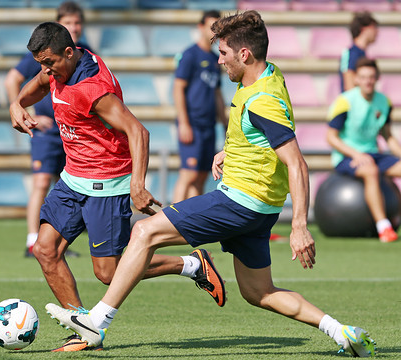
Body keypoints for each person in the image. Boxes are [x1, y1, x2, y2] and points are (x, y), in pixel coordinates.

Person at [46, 11, 378, 357]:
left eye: (223, 53)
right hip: (258, 208)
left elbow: (296, 162)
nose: (219, 61)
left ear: (244, 54)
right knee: (258, 292)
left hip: (241, 202)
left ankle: (96, 322)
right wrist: (229, 152)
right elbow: (258, 134)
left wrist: (299, 226)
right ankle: (342, 332)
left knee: (144, 233)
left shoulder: (263, 101)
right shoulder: (266, 76)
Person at [9, 22, 226, 352]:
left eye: (50, 62)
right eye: (42, 62)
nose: (45, 69)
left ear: (69, 53)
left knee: (109, 274)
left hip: (105, 183)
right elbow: (40, 83)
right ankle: (84, 328)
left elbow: (138, 132)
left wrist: (137, 186)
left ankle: (191, 264)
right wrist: (17, 103)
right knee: (45, 250)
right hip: (72, 179)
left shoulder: (92, 89)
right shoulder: (60, 68)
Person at [4, 1, 92, 258]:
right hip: (46, 131)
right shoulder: (48, 51)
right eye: (68, 23)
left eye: (77, 23)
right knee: (41, 182)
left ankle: (58, 243)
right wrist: (25, 111)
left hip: (71, 132)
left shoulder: (85, 53)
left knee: (65, 187)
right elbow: (12, 79)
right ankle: (33, 242)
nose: (74, 27)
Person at [327, 58, 401, 243]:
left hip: (374, 154)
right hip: (347, 156)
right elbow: (331, 137)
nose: (368, 81)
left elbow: (387, 135)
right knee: (370, 170)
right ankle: (384, 227)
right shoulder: (345, 101)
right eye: (363, 77)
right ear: (357, 79)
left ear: (377, 78)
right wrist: (356, 154)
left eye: (371, 77)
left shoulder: (384, 102)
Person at [172, 9, 227, 203]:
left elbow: (217, 93)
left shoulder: (215, 59)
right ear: (201, 27)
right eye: (212, 27)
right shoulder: (190, 55)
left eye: (218, 28)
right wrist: (184, 123)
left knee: (201, 176)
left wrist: (225, 122)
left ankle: (188, 225)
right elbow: (178, 89)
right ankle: (170, 222)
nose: (214, 31)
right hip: (192, 124)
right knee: (188, 174)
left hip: (208, 126)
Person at [339, 11, 378, 92]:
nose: (377, 31)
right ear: (364, 29)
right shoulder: (351, 53)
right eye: (374, 27)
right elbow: (349, 86)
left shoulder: (362, 53)